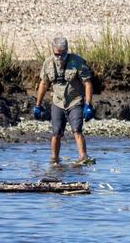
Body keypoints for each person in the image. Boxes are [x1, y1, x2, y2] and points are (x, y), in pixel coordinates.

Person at [33, 36, 95, 164]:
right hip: (57, 102)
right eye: (57, 54)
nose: (60, 57)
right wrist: (38, 105)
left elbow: (87, 83)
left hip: (75, 101)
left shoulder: (77, 62)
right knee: (56, 133)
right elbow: (44, 84)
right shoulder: (48, 63)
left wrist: (88, 104)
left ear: (67, 50)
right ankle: (54, 159)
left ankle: (83, 157)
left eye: (63, 54)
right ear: (52, 51)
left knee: (77, 130)